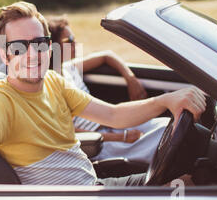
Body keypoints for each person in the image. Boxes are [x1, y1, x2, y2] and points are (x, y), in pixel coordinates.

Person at [0, 1, 206, 200]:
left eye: (40, 43)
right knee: (189, 193)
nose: (32, 53)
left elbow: (113, 115)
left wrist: (167, 100)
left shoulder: (54, 82)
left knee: (195, 180)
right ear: (6, 56)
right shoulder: (0, 99)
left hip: (94, 190)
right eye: (19, 47)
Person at [47, 16, 168, 164]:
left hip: (111, 126)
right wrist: (122, 137)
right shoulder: (50, 85)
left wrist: (131, 79)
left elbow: (106, 55)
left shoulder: (69, 67)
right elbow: (68, 131)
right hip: (96, 142)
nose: (75, 44)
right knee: (163, 144)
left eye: (74, 38)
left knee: (167, 127)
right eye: (69, 41)